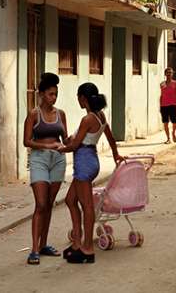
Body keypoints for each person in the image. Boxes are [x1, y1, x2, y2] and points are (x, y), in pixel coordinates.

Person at [59, 82, 122, 264]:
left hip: (84, 163)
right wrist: (115, 154)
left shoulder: (87, 119)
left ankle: (87, 248)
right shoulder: (100, 116)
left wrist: (59, 148)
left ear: (83, 98)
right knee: (70, 200)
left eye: (78, 98)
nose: (78, 101)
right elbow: (110, 137)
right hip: (90, 160)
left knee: (87, 206)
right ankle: (77, 242)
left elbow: (74, 145)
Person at [23, 72, 68, 265]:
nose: (54, 98)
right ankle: (34, 249)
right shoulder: (34, 114)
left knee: (49, 203)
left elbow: (65, 139)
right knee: (40, 204)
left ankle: (43, 244)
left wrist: (79, 139)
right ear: (41, 94)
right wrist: (46, 145)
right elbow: (27, 141)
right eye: (50, 94)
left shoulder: (61, 114)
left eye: (56, 94)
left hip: (58, 160)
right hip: (39, 159)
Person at [159, 68, 176, 143]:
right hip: (164, 105)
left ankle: (173, 133)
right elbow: (161, 95)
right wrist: (160, 106)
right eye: (167, 72)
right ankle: (168, 138)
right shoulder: (162, 84)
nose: (169, 74)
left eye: (170, 72)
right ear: (165, 74)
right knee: (165, 122)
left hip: (173, 105)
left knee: (174, 122)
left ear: (172, 74)